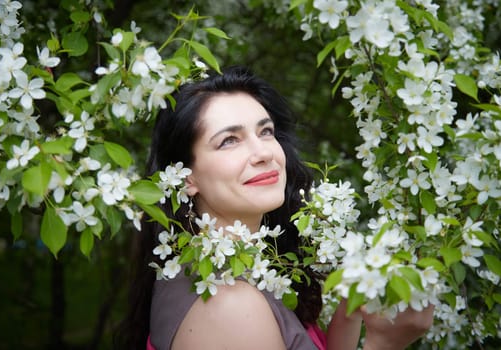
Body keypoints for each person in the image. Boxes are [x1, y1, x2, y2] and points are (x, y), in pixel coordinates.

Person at [114, 66, 434, 349]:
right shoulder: (231, 306)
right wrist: (384, 344)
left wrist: (349, 309)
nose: (263, 152)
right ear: (185, 178)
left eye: (265, 131)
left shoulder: (244, 267)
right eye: (229, 140)